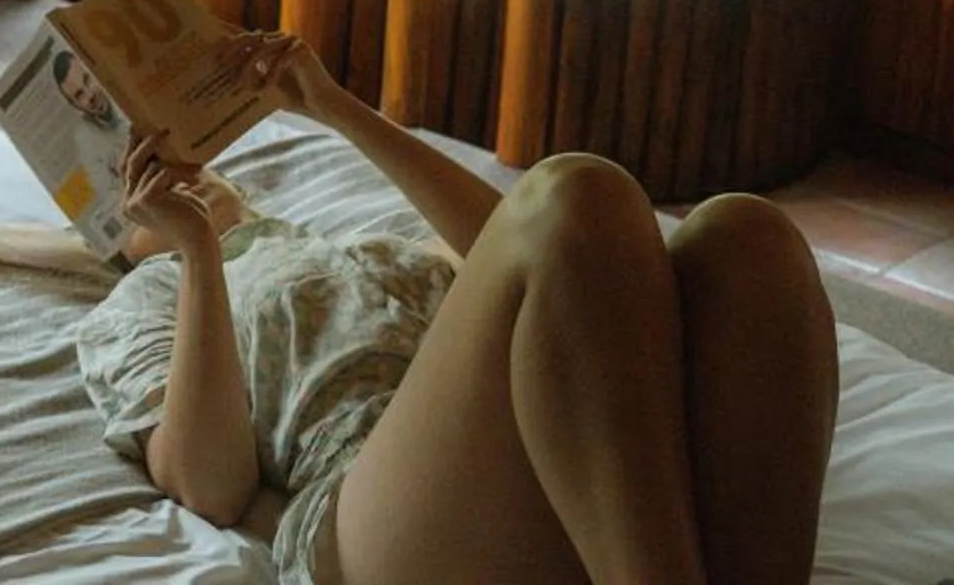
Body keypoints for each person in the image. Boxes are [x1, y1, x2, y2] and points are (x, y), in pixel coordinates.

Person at [69, 31, 837, 585]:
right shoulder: (148, 296)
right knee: (574, 191)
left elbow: (532, 247)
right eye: (142, 179)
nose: (179, 174)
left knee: (745, 235)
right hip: (372, 513)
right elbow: (210, 485)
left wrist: (335, 106)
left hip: (563, 469)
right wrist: (196, 251)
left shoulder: (352, 242)